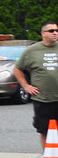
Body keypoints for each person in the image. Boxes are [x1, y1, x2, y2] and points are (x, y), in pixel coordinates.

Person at [14, 21, 58, 150]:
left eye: (56, 30)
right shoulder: (32, 51)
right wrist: (26, 86)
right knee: (44, 130)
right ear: (43, 33)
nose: (55, 33)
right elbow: (18, 69)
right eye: (51, 31)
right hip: (43, 98)